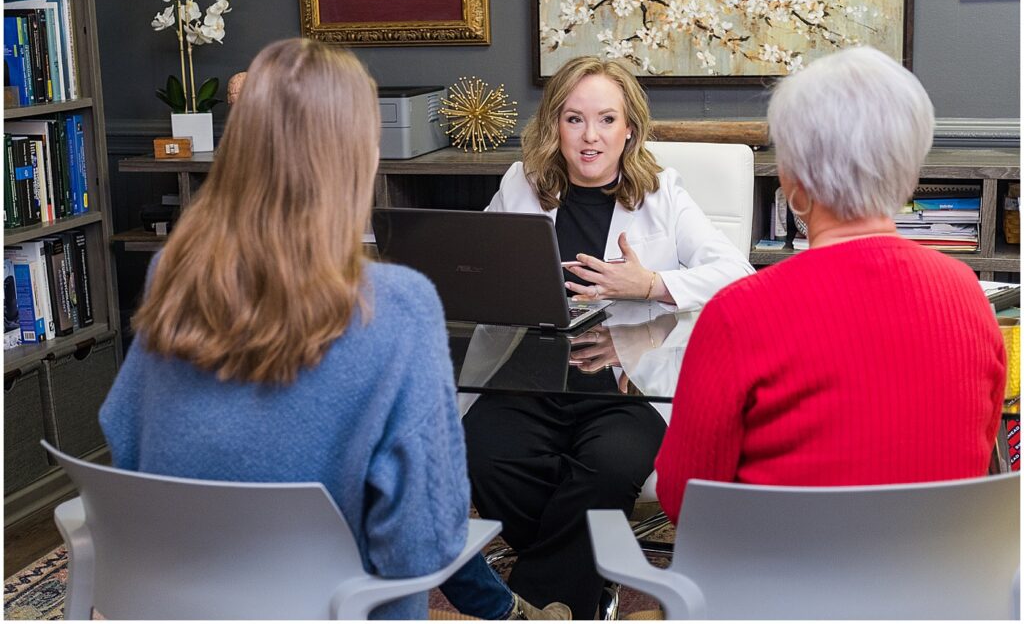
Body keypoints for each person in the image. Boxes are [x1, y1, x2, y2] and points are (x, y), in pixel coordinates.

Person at [98, 38, 470, 620]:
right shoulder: (400, 308)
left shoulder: (170, 272)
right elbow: (420, 547)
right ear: (359, 156)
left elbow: (126, 446)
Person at [448, 56, 754, 619]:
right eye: (574, 119)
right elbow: (482, 262)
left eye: (607, 120)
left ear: (629, 128)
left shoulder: (662, 192)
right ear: (554, 125)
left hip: (628, 381)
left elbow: (738, 274)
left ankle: (540, 605)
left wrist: (651, 283)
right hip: (528, 371)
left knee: (609, 467)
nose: (591, 137)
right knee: (485, 456)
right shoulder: (522, 182)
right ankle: (590, 583)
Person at [655, 46, 1007, 524]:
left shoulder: (738, 313)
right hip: (937, 591)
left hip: (772, 592)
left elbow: (685, 503)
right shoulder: (968, 295)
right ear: (908, 180)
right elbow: (978, 455)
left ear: (792, 186)